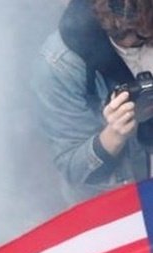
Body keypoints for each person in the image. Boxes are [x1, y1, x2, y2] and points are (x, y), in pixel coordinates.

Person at [32, 0, 153, 203]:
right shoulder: (59, 64)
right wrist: (113, 134)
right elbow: (72, 167)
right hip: (121, 203)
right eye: (133, 36)